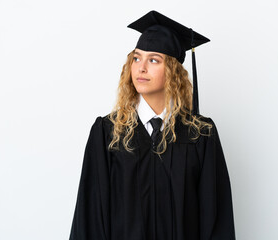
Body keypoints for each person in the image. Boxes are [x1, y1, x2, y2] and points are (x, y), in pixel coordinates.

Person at [69, 10, 235, 240]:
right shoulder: (107, 133)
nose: (141, 67)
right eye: (136, 58)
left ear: (173, 71)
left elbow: (216, 218)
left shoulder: (200, 135)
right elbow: (90, 217)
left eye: (153, 60)